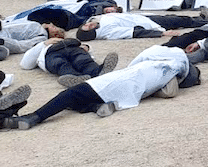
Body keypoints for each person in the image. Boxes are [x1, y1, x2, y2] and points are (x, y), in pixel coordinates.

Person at [3, 44, 198, 130]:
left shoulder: (167, 54)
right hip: (139, 88)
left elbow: (145, 54)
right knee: (80, 98)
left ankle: (33, 117)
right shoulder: (176, 70)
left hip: (128, 77)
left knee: (70, 95)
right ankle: (96, 106)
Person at [75, 9, 208, 41]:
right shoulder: (108, 32)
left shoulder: (96, 21)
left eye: (86, 25)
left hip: (139, 16)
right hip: (146, 23)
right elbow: (135, 33)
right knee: (177, 21)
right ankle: (206, 21)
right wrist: (161, 33)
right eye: (89, 28)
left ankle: (200, 18)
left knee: (174, 18)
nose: (90, 25)